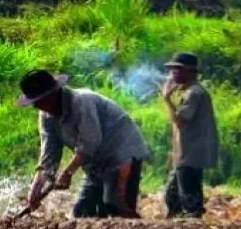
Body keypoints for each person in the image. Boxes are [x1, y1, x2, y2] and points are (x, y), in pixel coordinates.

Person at [17, 69, 152, 219]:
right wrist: (37, 184)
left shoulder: (82, 101)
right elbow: (49, 152)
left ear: (52, 94)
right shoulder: (46, 116)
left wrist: (67, 172)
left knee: (116, 206)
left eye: (40, 101)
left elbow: (90, 143)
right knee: (82, 213)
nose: (37, 106)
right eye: (35, 103)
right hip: (96, 164)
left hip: (123, 154)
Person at [161, 52, 219, 219]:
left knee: (189, 199)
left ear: (190, 71)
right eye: (172, 70)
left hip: (191, 154)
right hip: (186, 153)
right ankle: (179, 225)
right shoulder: (191, 92)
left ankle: (193, 225)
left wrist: (167, 99)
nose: (173, 74)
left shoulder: (194, 93)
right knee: (173, 197)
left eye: (177, 70)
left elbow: (180, 121)